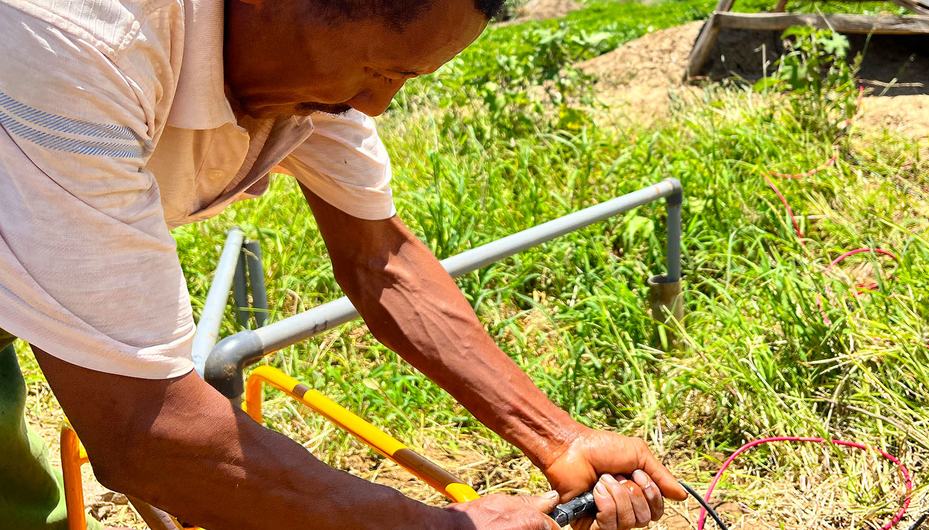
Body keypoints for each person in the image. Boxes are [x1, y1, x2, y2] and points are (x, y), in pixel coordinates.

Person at [0, 0, 686, 528]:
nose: (378, 102)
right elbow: (144, 430)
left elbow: (380, 262)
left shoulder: (306, 64)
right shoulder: (80, 40)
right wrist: (434, 526)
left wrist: (559, 437)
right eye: (381, 70)